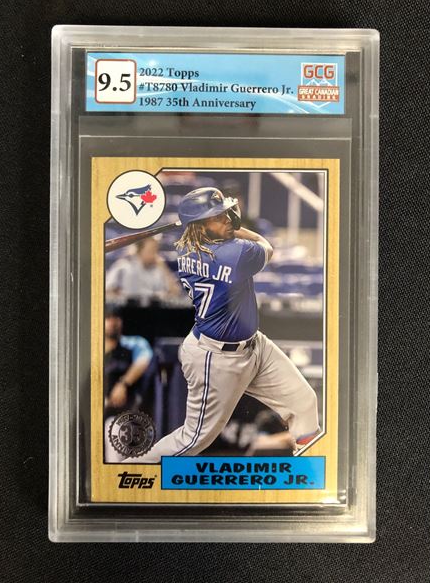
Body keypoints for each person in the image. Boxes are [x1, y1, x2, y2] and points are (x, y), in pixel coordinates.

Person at [123, 187, 319, 463]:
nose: (228, 219)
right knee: (192, 440)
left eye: (226, 213)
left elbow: (208, 238)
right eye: (217, 217)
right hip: (215, 358)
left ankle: (309, 469)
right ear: (200, 227)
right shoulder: (236, 253)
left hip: (254, 346)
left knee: (304, 403)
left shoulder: (188, 250)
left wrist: (208, 223)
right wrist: (239, 228)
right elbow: (266, 246)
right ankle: (132, 469)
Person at [102, 304, 154, 462]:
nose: (113, 322)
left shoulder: (133, 344)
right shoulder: (91, 348)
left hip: (125, 413)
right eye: (108, 318)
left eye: (116, 318)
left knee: (115, 429)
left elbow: (144, 360)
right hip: (97, 413)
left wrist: (123, 384)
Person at [105, 237, 180, 299]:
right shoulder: (123, 266)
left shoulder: (157, 269)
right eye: (151, 250)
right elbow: (107, 292)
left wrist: (163, 267)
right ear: (139, 250)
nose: (155, 254)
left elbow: (175, 292)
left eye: (156, 250)